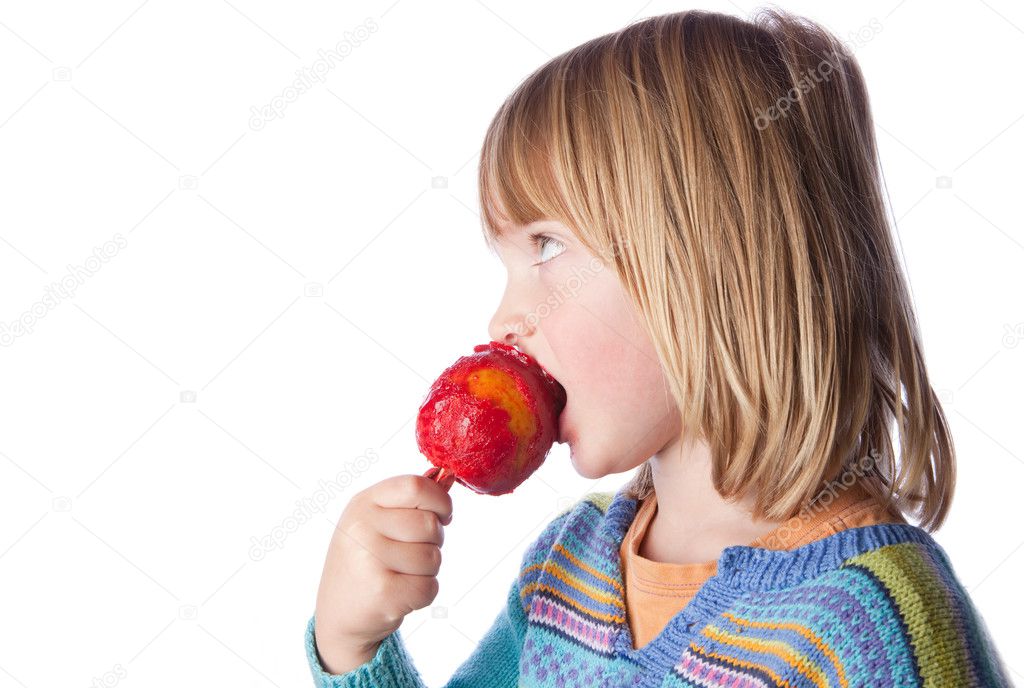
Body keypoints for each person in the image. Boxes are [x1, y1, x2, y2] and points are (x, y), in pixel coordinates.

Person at [305, 7, 1014, 686]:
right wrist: (352, 648)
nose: (503, 320)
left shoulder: (871, 627)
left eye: (547, 245)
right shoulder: (567, 570)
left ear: (713, 260)